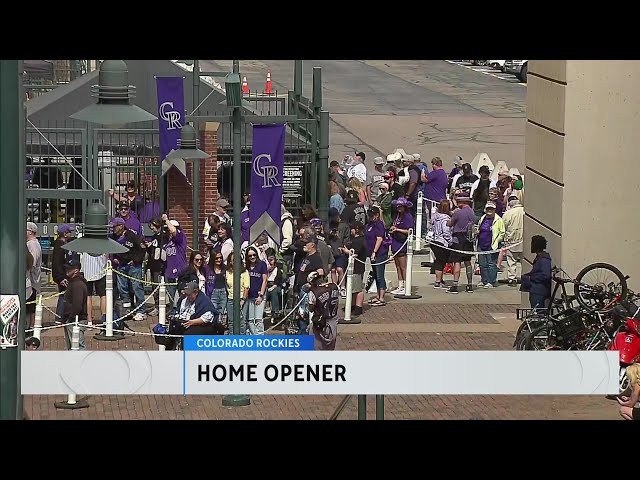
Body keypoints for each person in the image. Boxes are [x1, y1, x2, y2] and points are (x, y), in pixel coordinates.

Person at [111, 217, 147, 321]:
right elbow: (112, 250)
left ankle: (141, 311)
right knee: (123, 289)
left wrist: (135, 261)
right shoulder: (114, 237)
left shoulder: (132, 236)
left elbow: (142, 249)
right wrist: (115, 259)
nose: (113, 229)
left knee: (136, 287)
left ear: (121, 226)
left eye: (115, 226)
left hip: (133, 266)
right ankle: (127, 310)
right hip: (121, 266)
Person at [294, 233, 325, 334]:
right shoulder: (307, 256)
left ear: (312, 245)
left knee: (304, 313)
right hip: (301, 289)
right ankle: (302, 333)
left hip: (307, 290)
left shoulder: (316, 257)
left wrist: (311, 283)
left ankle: (305, 336)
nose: (304, 245)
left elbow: (321, 272)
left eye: (306, 243)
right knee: (300, 313)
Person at [446, 195, 475, 294]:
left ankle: (455, 285)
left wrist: (448, 221)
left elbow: (450, 223)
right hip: (468, 239)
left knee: (457, 262)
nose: (457, 203)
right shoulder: (472, 212)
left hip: (458, 238)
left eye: (459, 202)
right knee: (467, 261)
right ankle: (470, 284)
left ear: (463, 202)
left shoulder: (459, 213)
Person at [306, 271, 340, 350]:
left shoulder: (313, 292)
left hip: (320, 321)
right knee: (331, 344)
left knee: (316, 345)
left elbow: (311, 309)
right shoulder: (334, 287)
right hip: (333, 319)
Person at [340, 221, 368, 315]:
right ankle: (351, 305)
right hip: (351, 267)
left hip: (357, 267)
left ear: (356, 230)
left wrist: (346, 251)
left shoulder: (360, 240)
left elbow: (354, 254)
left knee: (357, 288)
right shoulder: (353, 239)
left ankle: (358, 306)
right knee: (351, 288)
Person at [61, 257, 88, 350]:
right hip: (72, 319)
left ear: (76, 270)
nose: (67, 270)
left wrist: (71, 317)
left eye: (69, 268)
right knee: (72, 347)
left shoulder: (78, 285)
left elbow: (77, 304)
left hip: (76, 320)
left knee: (78, 347)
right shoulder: (73, 282)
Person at [51, 224, 77, 323]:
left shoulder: (66, 244)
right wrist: (60, 278)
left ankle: (65, 315)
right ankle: (59, 317)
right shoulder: (59, 246)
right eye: (69, 232)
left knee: (67, 295)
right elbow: (57, 264)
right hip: (62, 276)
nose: (71, 233)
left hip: (67, 274)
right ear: (64, 234)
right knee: (63, 296)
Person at [476, 202, 505, 289]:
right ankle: (484, 280)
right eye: (488, 209)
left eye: (491, 209)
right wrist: (477, 232)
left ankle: (491, 281)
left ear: (494, 210)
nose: (489, 210)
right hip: (481, 244)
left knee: (491, 264)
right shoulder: (483, 218)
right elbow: (479, 227)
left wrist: (497, 240)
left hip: (492, 245)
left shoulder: (499, 220)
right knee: (482, 264)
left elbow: (502, 232)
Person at [389, 197, 414, 296]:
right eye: (397, 206)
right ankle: (400, 285)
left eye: (400, 206)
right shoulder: (397, 216)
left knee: (403, 266)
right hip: (395, 242)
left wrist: (398, 230)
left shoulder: (408, 217)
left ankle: (406, 285)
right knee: (397, 266)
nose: (398, 208)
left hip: (402, 242)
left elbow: (410, 231)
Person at [520, 235, 552, 309]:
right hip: (535, 290)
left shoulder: (544, 259)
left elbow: (546, 275)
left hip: (539, 291)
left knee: (538, 314)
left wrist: (531, 278)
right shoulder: (539, 257)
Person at [365, 206, 388, 305]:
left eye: (372, 214)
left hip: (380, 253)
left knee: (379, 275)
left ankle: (382, 297)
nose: (370, 216)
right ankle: (378, 296)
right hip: (371, 253)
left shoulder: (379, 224)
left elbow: (379, 239)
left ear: (377, 215)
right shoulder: (369, 224)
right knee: (375, 274)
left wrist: (374, 251)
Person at [243, 246, 268, 335]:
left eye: (254, 255)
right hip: (250, 296)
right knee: (250, 319)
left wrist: (261, 295)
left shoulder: (262, 264)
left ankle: (260, 337)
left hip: (259, 295)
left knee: (258, 319)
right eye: (250, 256)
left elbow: (265, 280)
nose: (252, 257)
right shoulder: (246, 266)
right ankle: (253, 337)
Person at [501, 194, 524, 286]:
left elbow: (504, 226)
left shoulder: (508, 213)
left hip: (512, 239)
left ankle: (512, 279)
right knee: (524, 261)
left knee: (511, 261)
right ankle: (524, 277)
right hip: (524, 239)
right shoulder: (525, 211)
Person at [224, 251, 250, 335]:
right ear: (230, 262)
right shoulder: (227, 272)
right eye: (232, 260)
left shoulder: (244, 272)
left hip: (241, 299)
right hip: (230, 300)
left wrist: (243, 300)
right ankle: (232, 339)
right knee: (231, 322)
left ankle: (241, 340)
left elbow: (246, 287)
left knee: (242, 322)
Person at [145, 218, 167, 314]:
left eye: (153, 227)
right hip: (152, 265)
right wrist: (149, 246)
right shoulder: (154, 237)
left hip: (159, 266)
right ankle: (156, 305)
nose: (152, 229)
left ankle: (159, 306)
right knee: (154, 286)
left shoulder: (164, 237)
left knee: (158, 286)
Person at [327, 207, 350, 296]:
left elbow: (347, 238)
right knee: (332, 270)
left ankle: (342, 287)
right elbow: (326, 235)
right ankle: (335, 287)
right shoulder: (329, 225)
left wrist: (344, 247)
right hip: (332, 251)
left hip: (340, 251)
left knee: (340, 269)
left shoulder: (344, 225)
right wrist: (330, 235)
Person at [80, 251, 107, 325]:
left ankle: (89, 320)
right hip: (101, 270)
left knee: (88, 296)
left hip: (87, 271)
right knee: (103, 295)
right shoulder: (103, 240)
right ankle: (104, 320)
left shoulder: (84, 240)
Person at [431, 200, 453, 289]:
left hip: (433, 241)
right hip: (441, 242)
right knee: (440, 262)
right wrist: (450, 242)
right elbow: (446, 232)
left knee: (438, 261)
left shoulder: (435, 217)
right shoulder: (445, 219)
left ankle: (440, 279)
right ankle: (438, 282)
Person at [26, 222, 42, 330]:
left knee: (30, 306)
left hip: (32, 281)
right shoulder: (30, 243)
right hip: (30, 280)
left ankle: (31, 326)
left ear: (30, 231)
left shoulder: (33, 244)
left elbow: (32, 263)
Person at [265, 249, 284, 321]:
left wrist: (272, 288)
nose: (270, 262)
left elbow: (277, 282)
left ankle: (275, 312)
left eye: (272, 260)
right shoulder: (265, 269)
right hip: (266, 285)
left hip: (276, 285)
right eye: (269, 260)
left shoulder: (278, 270)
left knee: (274, 292)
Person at [207, 251, 227, 317]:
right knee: (213, 313)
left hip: (223, 293)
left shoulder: (225, 268)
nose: (219, 260)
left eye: (220, 258)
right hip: (213, 293)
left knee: (221, 314)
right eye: (217, 258)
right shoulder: (207, 269)